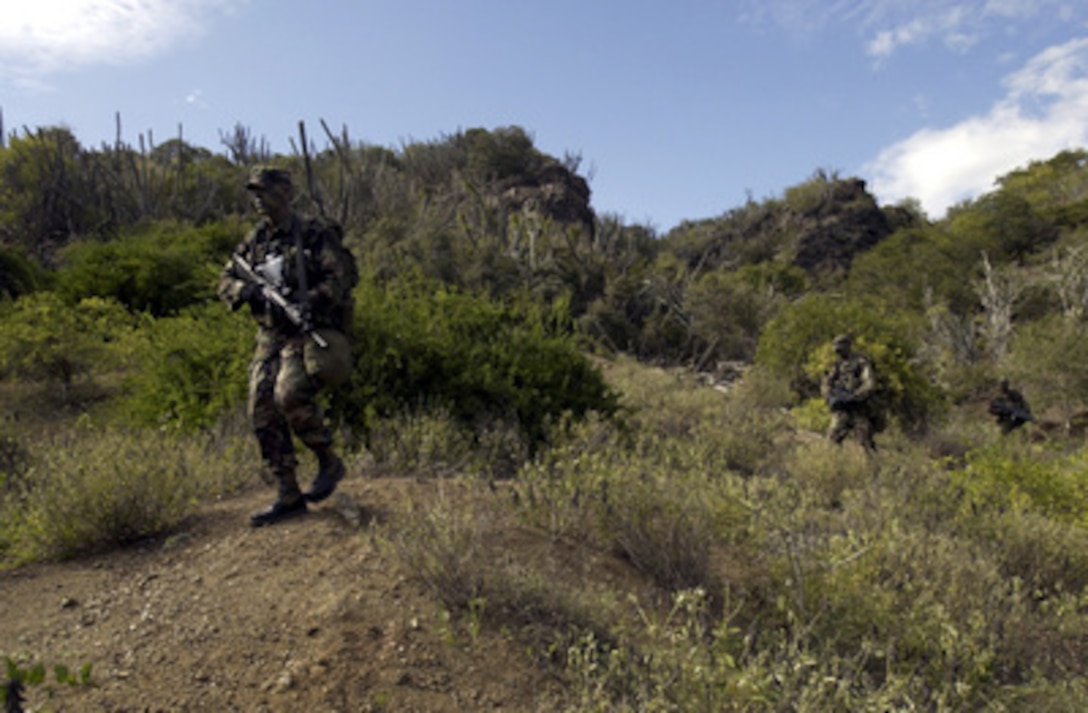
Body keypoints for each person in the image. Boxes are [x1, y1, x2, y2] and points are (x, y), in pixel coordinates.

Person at [218, 166, 352, 527]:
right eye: (254, 192)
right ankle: (288, 493)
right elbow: (227, 278)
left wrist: (308, 301)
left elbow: (337, 280)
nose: (258, 199)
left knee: (289, 395)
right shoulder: (256, 240)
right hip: (270, 334)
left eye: (265, 191)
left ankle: (327, 457)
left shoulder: (312, 233)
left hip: (304, 330)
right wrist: (245, 291)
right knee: (260, 410)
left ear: (286, 193)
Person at [821, 333, 878, 452]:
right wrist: (829, 396)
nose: (839, 353)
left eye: (841, 349)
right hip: (842, 409)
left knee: (865, 443)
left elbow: (869, 383)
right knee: (831, 440)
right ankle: (833, 467)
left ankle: (874, 469)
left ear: (848, 346)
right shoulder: (838, 365)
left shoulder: (860, 362)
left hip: (858, 409)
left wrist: (856, 396)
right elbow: (827, 382)